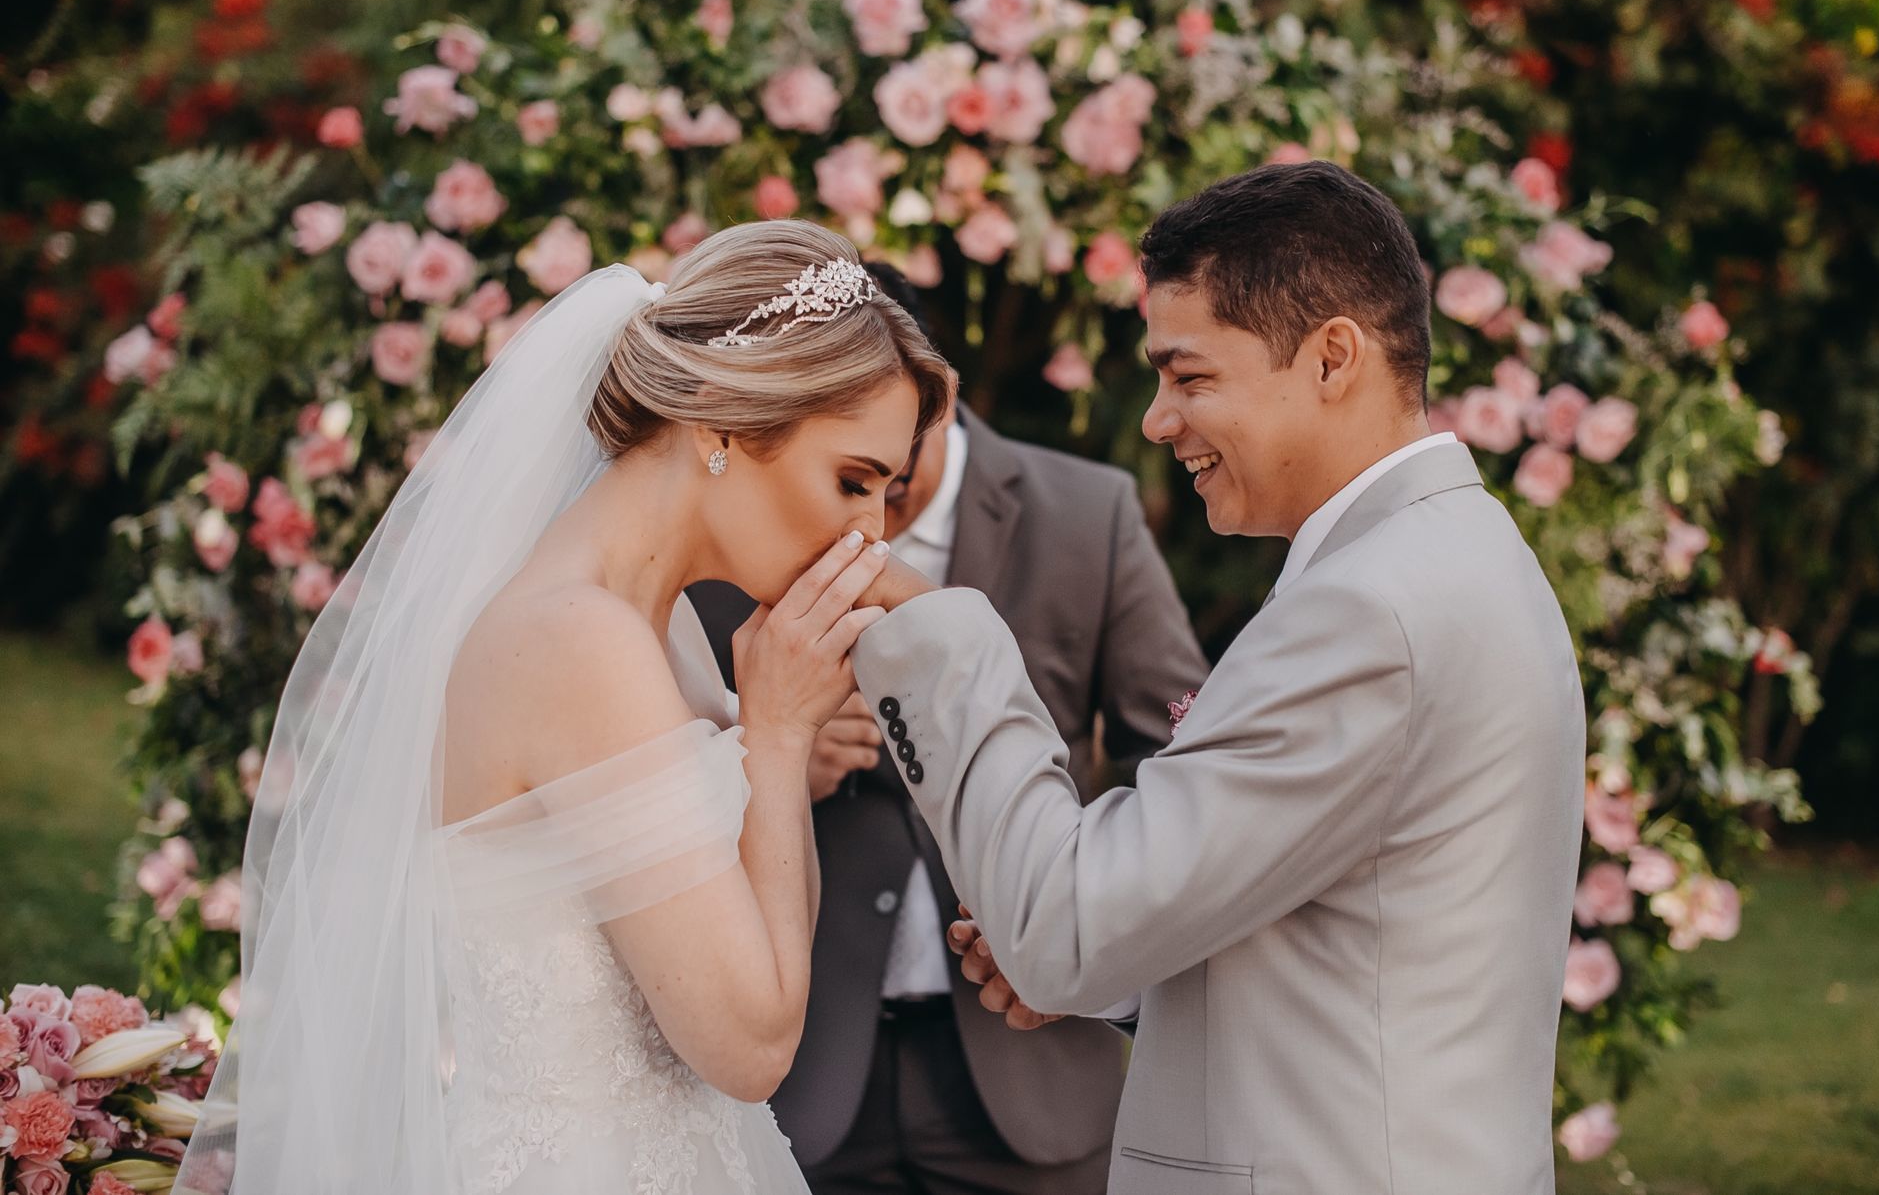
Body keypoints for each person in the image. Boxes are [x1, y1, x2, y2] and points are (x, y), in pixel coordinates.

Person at [820, 162, 1588, 1194]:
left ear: (1331, 358)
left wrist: (941, 638)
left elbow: (1063, 925)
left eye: (1189, 377)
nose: (1157, 419)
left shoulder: (1369, 608)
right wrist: (1118, 967)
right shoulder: (1448, 554)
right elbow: (1335, 928)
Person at [177, 222, 952, 1195]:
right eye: (852, 480)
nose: (869, 533)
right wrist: (783, 732)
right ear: (717, 421)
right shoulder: (579, 642)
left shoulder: (649, 625)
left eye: (886, 493)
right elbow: (751, 1045)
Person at [689, 263, 1207, 1194]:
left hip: (1027, 1077)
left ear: (939, 397)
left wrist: (1077, 906)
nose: (867, 521)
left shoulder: (1088, 515)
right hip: (804, 1079)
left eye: (888, 473)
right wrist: (766, 762)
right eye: (848, 473)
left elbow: (1174, 742)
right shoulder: (744, 521)